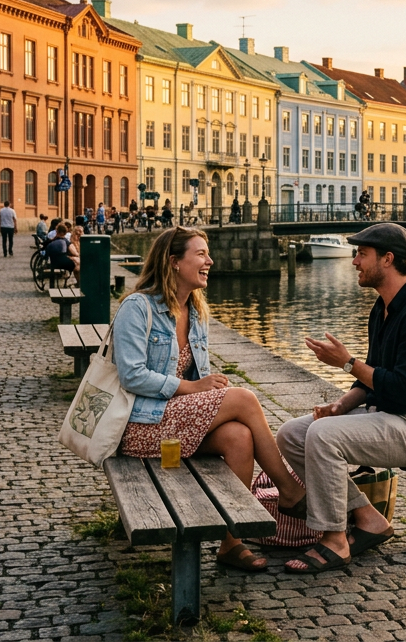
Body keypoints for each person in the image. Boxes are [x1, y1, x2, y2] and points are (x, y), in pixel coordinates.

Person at [112, 226, 308, 573]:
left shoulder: (196, 310)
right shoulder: (138, 307)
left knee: (239, 437)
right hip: (141, 424)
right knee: (244, 399)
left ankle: (231, 542)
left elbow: (195, 374)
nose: (210, 261)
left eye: (208, 253)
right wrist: (194, 388)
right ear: (174, 261)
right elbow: (132, 375)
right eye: (200, 254)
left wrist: (209, 387)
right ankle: (289, 490)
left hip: (175, 422)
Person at [276, 223, 406, 573]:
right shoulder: (383, 307)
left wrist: (347, 362)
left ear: (387, 259)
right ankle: (367, 517)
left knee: (323, 436)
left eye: (362, 254)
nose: (355, 261)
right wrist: (340, 405)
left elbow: (401, 388)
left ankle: (335, 539)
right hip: (389, 414)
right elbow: (374, 377)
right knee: (292, 434)